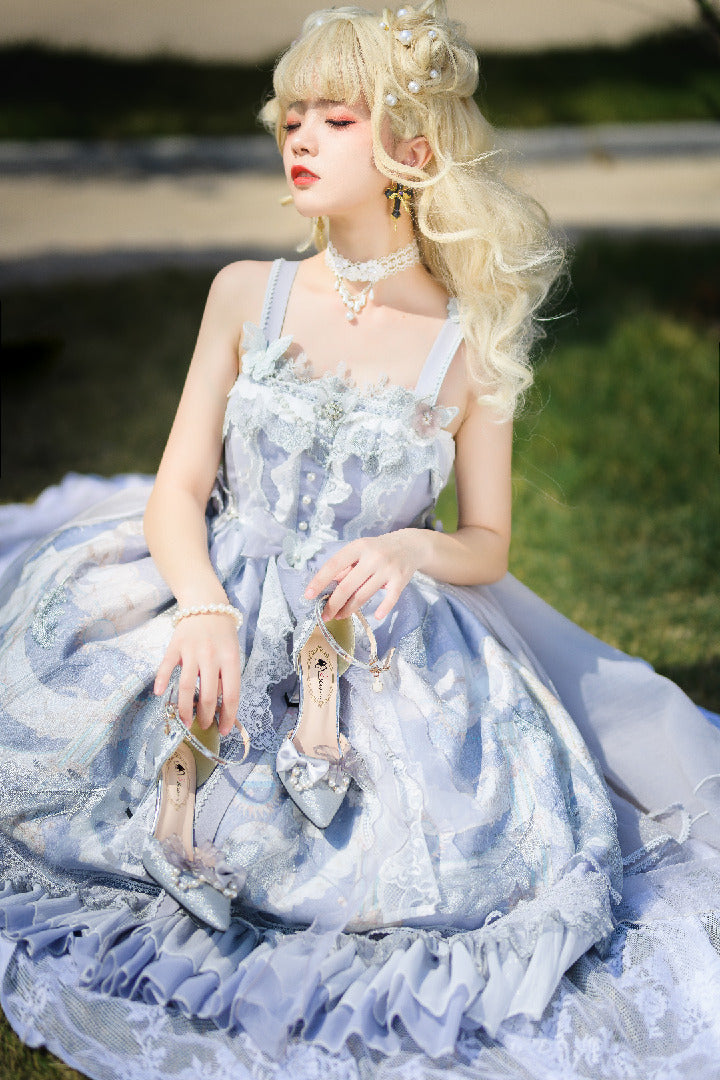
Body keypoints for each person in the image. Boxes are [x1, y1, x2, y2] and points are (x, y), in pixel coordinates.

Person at [1, 4, 719, 1079]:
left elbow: (484, 542)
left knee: (406, 858)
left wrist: (408, 552)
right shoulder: (247, 293)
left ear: (410, 153)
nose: (296, 137)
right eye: (291, 115)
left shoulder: (464, 349)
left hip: (367, 637)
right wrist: (202, 604)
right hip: (217, 584)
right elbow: (179, 487)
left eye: (332, 119)